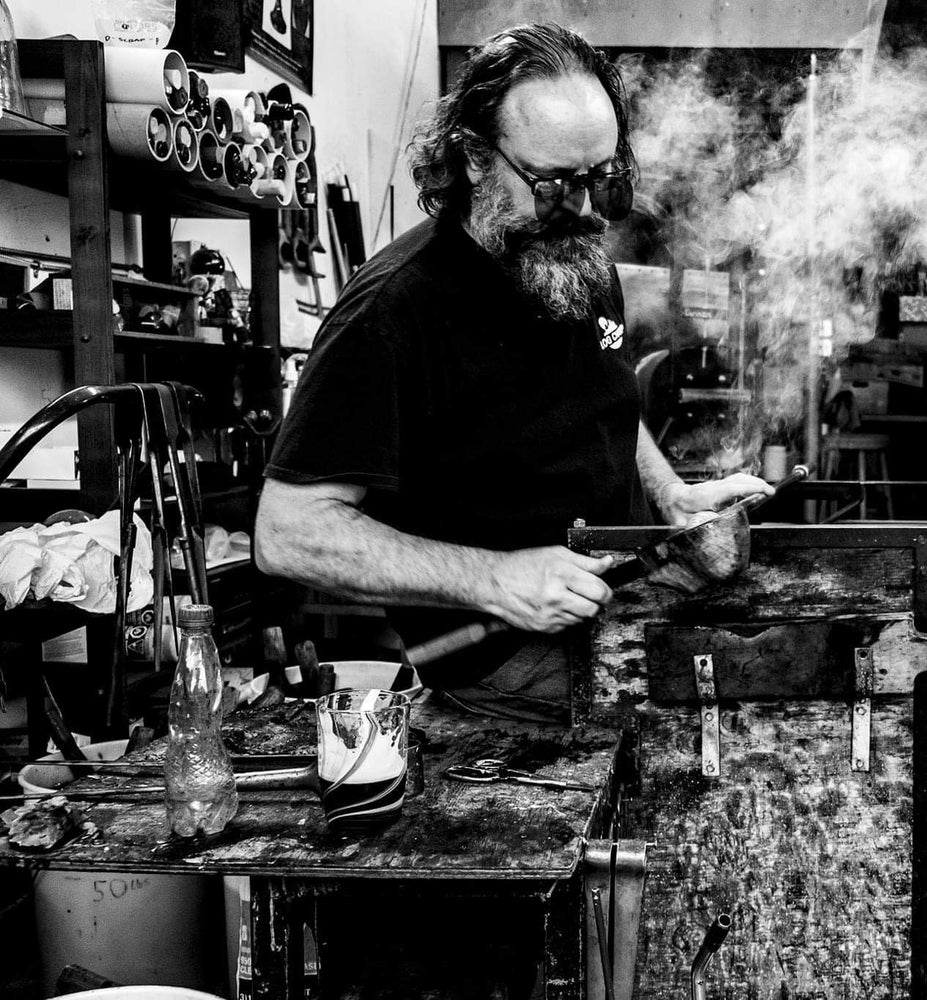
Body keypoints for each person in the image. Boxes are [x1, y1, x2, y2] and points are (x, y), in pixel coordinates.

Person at [254, 22, 771, 723]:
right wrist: (497, 579)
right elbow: (288, 534)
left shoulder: (575, 257)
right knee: (741, 711)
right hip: (504, 653)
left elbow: (603, 397)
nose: (587, 212)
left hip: (619, 600)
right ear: (473, 157)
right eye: (556, 185)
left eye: (604, 182)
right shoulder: (393, 309)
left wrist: (672, 496)